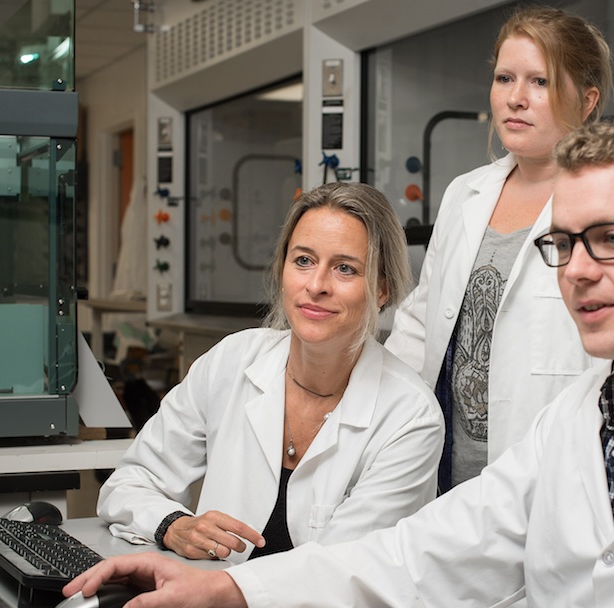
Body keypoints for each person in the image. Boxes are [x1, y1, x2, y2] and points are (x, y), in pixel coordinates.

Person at [65, 122, 614, 607]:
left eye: (612, 238)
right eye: (564, 241)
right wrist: (230, 588)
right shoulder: (577, 422)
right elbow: (424, 554)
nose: (577, 269)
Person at [94, 182, 444, 563]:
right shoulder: (233, 360)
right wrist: (172, 524)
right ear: (282, 270)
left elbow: (337, 572)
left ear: (381, 290)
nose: (316, 285)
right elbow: (128, 484)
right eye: (304, 261)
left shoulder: (410, 416)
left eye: (345, 268)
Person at [385, 6, 614, 490]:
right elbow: (421, 323)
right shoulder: (465, 193)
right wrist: (380, 417)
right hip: (445, 474)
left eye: (540, 82)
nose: (515, 98)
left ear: (587, 99)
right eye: (505, 77)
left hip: (553, 475)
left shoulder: (609, 203)